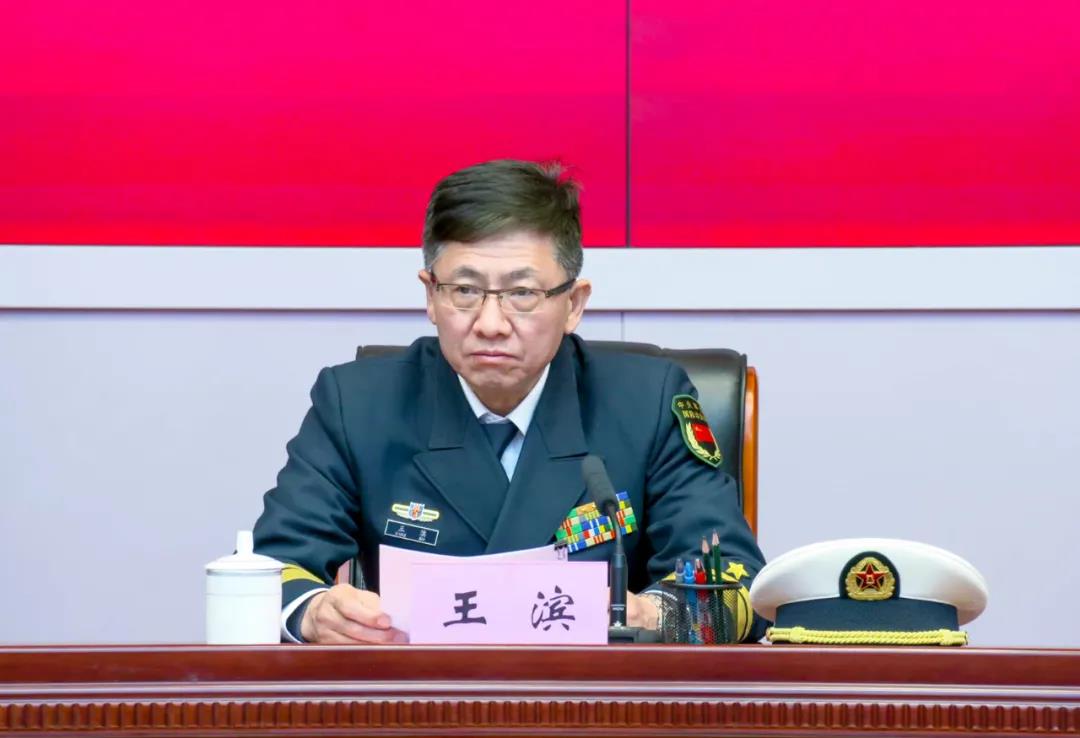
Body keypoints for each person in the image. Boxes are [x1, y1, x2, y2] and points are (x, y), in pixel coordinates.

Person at [253, 159, 767, 644]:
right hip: (417, 695)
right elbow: (271, 569)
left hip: (592, 697)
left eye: (522, 294)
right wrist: (314, 611)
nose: (491, 323)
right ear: (430, 296)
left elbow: (738, 586)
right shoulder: (357, 404)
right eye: (464, 290)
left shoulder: (646, 404)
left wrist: (653, 615)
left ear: (574, 304)